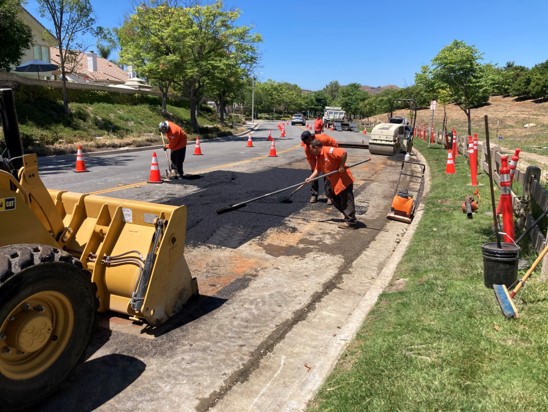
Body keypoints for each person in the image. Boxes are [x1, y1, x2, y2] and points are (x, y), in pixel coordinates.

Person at [305, 139, 358, 229]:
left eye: (311, 150)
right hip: (333, 181)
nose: (311, 152)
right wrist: (310, 178)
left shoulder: (329, 151)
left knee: (346, 199)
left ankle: (351, 221)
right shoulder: (319, 156)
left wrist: (341, 166)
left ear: (316, 148)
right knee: (330, 195)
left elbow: (343, 153)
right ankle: (347, 214)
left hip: (342, 180)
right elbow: (318, 169)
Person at [301, 130, 338, 204]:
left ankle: (329, 196)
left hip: (326, 155)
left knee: (327, 176)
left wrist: (331, 155)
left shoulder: (322, 138)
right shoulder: (306, 147)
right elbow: (310, 158)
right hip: (315, 158)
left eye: (307, 141)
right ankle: (314, 195)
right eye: (304, 142)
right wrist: (314, 172)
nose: (306, 143)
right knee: (314, 176)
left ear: (311, 137)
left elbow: (334, 144)